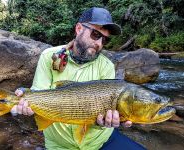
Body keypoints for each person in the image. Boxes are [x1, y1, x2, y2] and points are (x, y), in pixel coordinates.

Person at [11, 7, 146, 150]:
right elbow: (38, 92)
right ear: (79, 28)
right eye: (95, 34)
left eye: (104, 39)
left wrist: (107, 123)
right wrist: (24, 96)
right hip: (59, 145)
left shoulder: (106, 66)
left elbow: (108, 109)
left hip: (99, 142)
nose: (99, 43)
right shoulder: (48, 56)